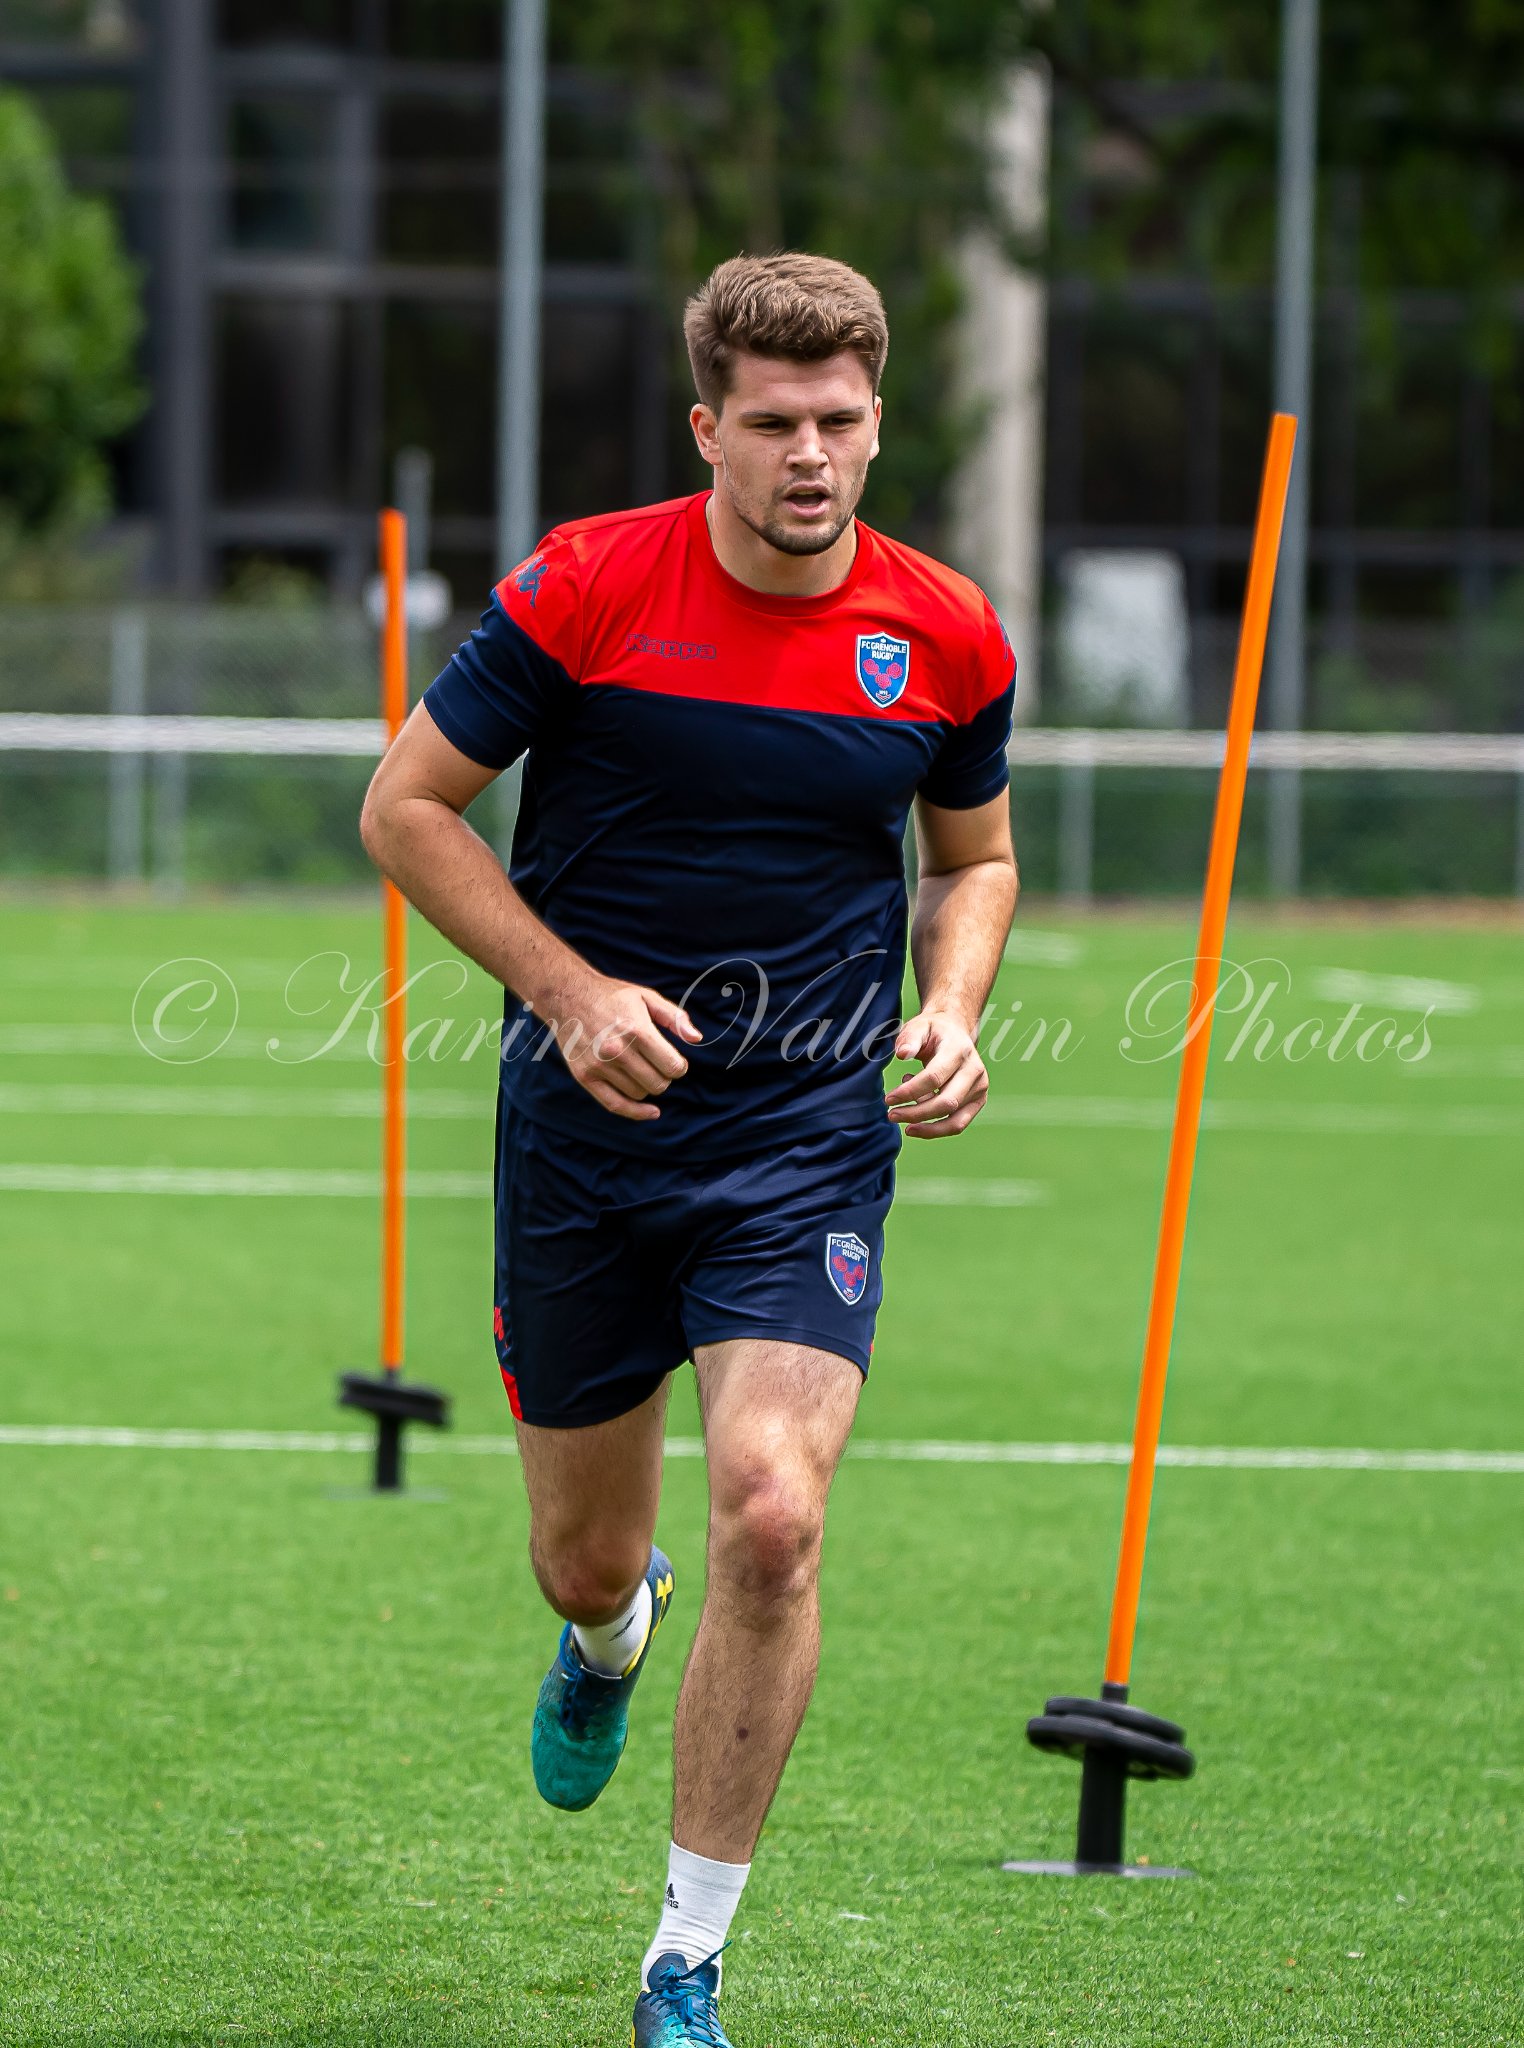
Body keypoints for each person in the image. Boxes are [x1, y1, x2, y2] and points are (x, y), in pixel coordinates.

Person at [360, 249, 1018, 2046]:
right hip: (584, 1137)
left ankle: (684, 1965)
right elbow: (406, 812)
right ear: (710, 424)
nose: (813, 456)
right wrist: (567, 993)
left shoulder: (946, 630)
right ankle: (602, 1633)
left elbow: (972, 857)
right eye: (778, 423)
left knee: (776, 1511)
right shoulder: (586, 585)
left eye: (845, 423)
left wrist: (951, 1005)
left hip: (802, 1140)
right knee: (584, 1556)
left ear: (879, 422)